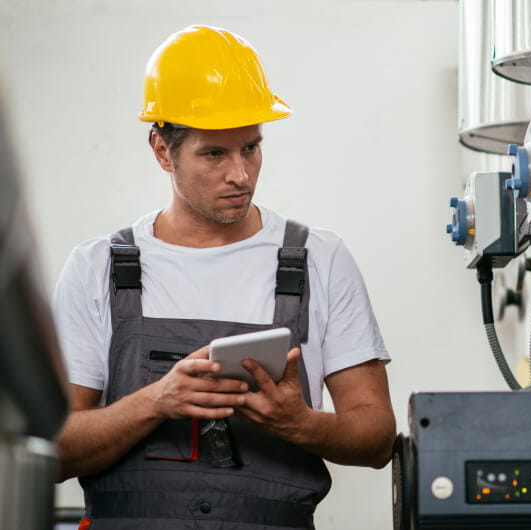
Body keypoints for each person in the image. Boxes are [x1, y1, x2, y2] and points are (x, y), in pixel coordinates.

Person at [51, 25, 396, 529]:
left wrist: (299, 423)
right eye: (214, 154)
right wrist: (156, 401)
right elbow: (52, 449)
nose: (241, 174)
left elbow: (377, 439)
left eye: (251, 148)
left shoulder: (319, 258)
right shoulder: (97, 267)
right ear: (162, 151)